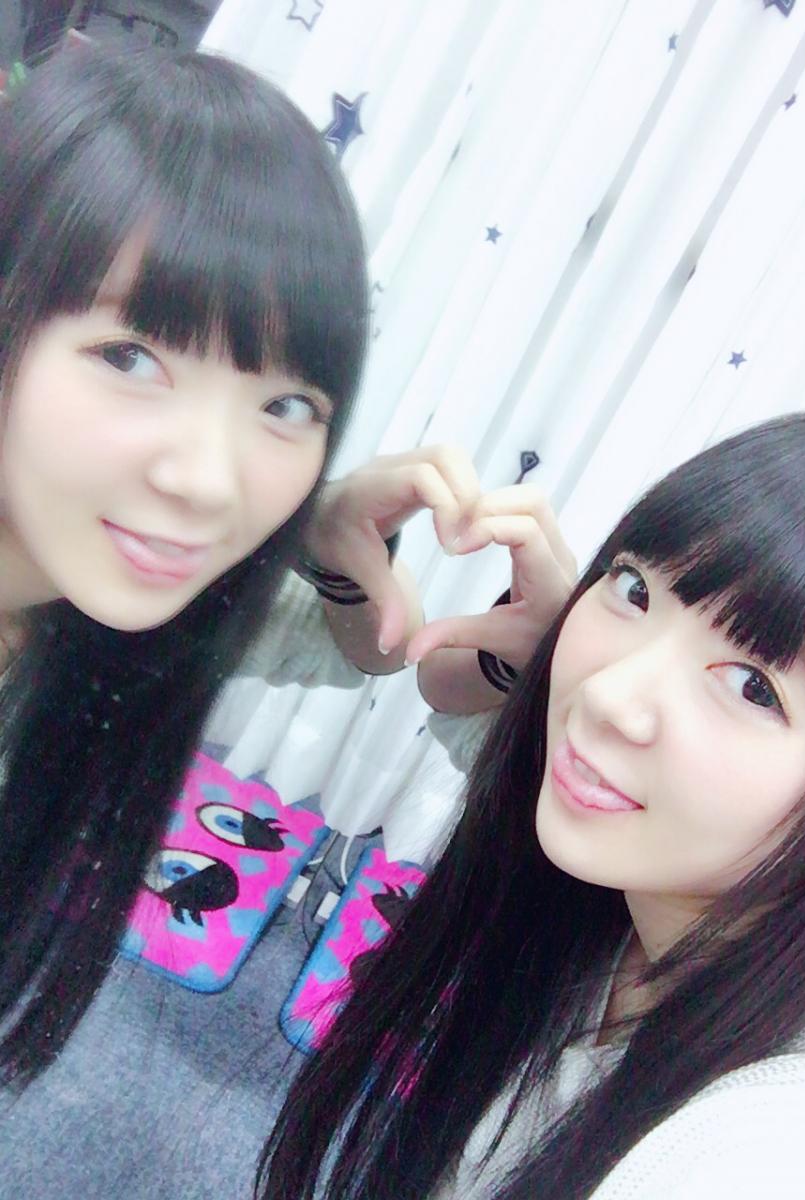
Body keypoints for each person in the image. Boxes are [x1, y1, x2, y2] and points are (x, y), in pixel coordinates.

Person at [259, 406, 805, 1200]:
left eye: (752, 687)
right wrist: (524, 668)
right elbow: (487, 734)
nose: (606, 696)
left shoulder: (804, 1144)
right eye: (634, 589)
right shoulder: (654, 900)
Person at [0, 40, 480, 1090]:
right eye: (131, 357)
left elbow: (363, 652)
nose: (212, 481)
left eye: (286, 405)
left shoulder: (111, 610)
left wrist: (330, 538)